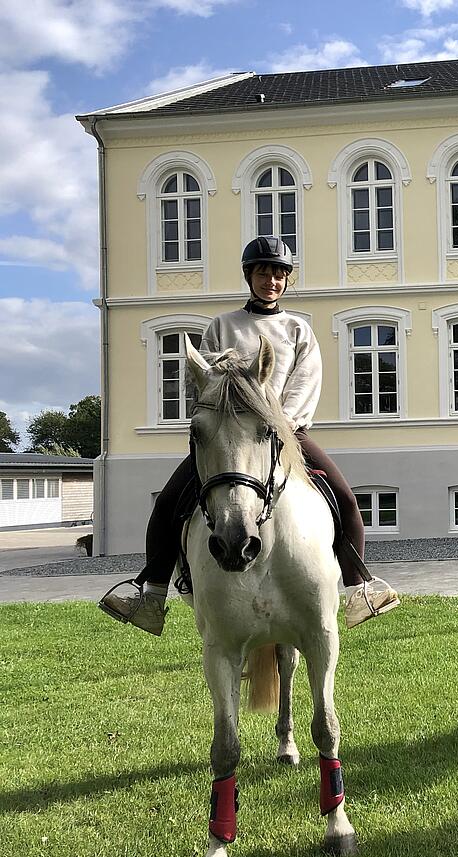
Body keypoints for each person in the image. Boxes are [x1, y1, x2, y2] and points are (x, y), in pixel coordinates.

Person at [98, 236, 401, 635]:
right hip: (228, 436)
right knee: (168, 504)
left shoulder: (298, 329)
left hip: (283, 431)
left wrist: (281, 425)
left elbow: (305, 382)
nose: (271, 280)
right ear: (249, 276)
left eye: (278, 273)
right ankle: (151, 595)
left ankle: (359, 587)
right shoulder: (222, 326)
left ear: (287, 281)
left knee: (343, 498)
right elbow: (203, 380)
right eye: (263, 272)